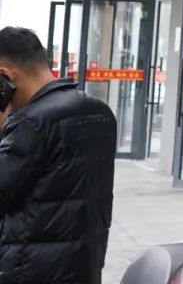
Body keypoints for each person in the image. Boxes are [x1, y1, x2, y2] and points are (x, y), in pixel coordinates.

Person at [0, 27, 117, 284]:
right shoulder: (100, 112)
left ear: (5, 77)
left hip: (28, 273)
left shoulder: (30, 123)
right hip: (83, 269)